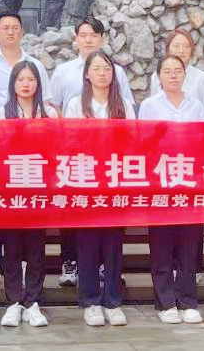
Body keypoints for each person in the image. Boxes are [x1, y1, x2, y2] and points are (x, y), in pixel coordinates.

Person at [45, 17, 131, 287]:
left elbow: (126, 116)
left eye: (94, 35)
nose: (88, 39)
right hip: (79, 161)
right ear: (76, 39)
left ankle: (109, 266)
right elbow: (55, 108)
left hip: (112, 165)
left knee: (110, 217)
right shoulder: (63, 72)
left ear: (102, 39)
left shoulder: (117, 72)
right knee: (75, 213)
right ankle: (71, 262)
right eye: (83, 35)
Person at [0, 13, 52, 288]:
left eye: (15, 27)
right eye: (5, 28)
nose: (10, 32)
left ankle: (28, 273)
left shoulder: (35, 65)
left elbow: (48, 104)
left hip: (34, 163)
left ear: (22, 32)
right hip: (0, 150)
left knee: (30, 223)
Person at [62, 51, 131, 327]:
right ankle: (90, 302)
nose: (102, 73)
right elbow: (69, 140)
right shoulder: (76, 104)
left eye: (107, 69)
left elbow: (133, 140)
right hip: (86, 181)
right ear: (87, 74)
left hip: (115, 181)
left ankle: (112, 301)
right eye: (97, 68)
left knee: (113, 243)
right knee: (88, 243)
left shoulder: (123, 104)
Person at [139, 55, 204, 325]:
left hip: (189, 183)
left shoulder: (196, 105)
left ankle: (188, 301)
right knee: (162, 245)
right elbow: (142, 143)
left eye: (178, 71)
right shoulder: (149, 106)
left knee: (188, 245)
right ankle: (165, 302)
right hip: (160, 183)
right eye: (167, 71)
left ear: (185, 75)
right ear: (159, 76)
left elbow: (203, 140)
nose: (173, 76)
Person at [0, 60, 50, 328]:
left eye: (30, 79)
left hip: (39, 189)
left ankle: (33, 301)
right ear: (13, 84)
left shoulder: (48, 114)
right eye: (21, 80)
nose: (26, 84)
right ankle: (13, 301)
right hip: (11, 189)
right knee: (12, 247)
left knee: (36, 247)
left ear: (38, 84)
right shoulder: (1, 113)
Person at [150, 30, 204, 105]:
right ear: (168, 49)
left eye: (186, 46)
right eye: (176, 46)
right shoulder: (157, 76)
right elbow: (153, 106)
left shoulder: (202, 78)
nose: (181, 50)